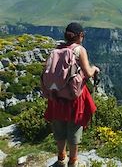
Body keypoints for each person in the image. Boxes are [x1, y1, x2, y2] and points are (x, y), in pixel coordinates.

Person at [44, 22, 99, 167]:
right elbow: (87, 73)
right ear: (80, 36)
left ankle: (61, 158)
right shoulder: (79, 50)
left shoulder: (56, 50)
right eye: (83, 35)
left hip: (56, 95)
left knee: (59, 127)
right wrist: (95, 69)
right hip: (74, 97)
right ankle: (73, 161)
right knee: (74, 127)